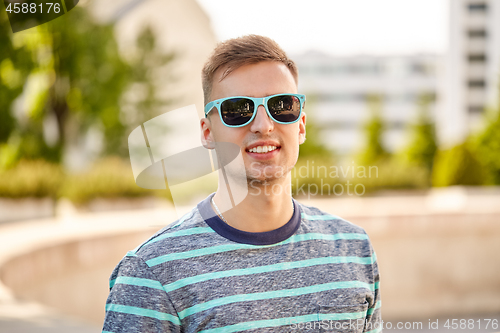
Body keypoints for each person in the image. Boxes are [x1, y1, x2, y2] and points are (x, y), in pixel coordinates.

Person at [102, 35, 382, 333]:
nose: (263, 125)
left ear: (300, 124)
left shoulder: (355, 250)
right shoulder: (151, 273)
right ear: (207, 132)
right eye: (237, 109)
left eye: (281, 105)